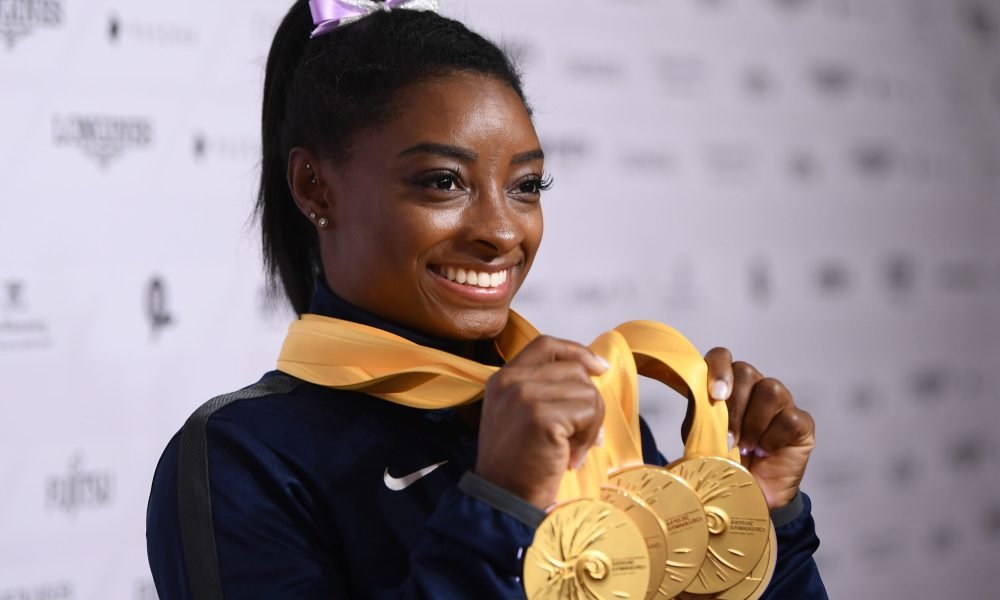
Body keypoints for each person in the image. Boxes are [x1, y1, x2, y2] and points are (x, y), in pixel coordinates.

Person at [146, 1, 828, 598]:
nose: (502, 231)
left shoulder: (600, 417)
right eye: (444, 182)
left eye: (528, 186)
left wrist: (758, 520)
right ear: (315, 188)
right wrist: (500, 507)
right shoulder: (240, 459)